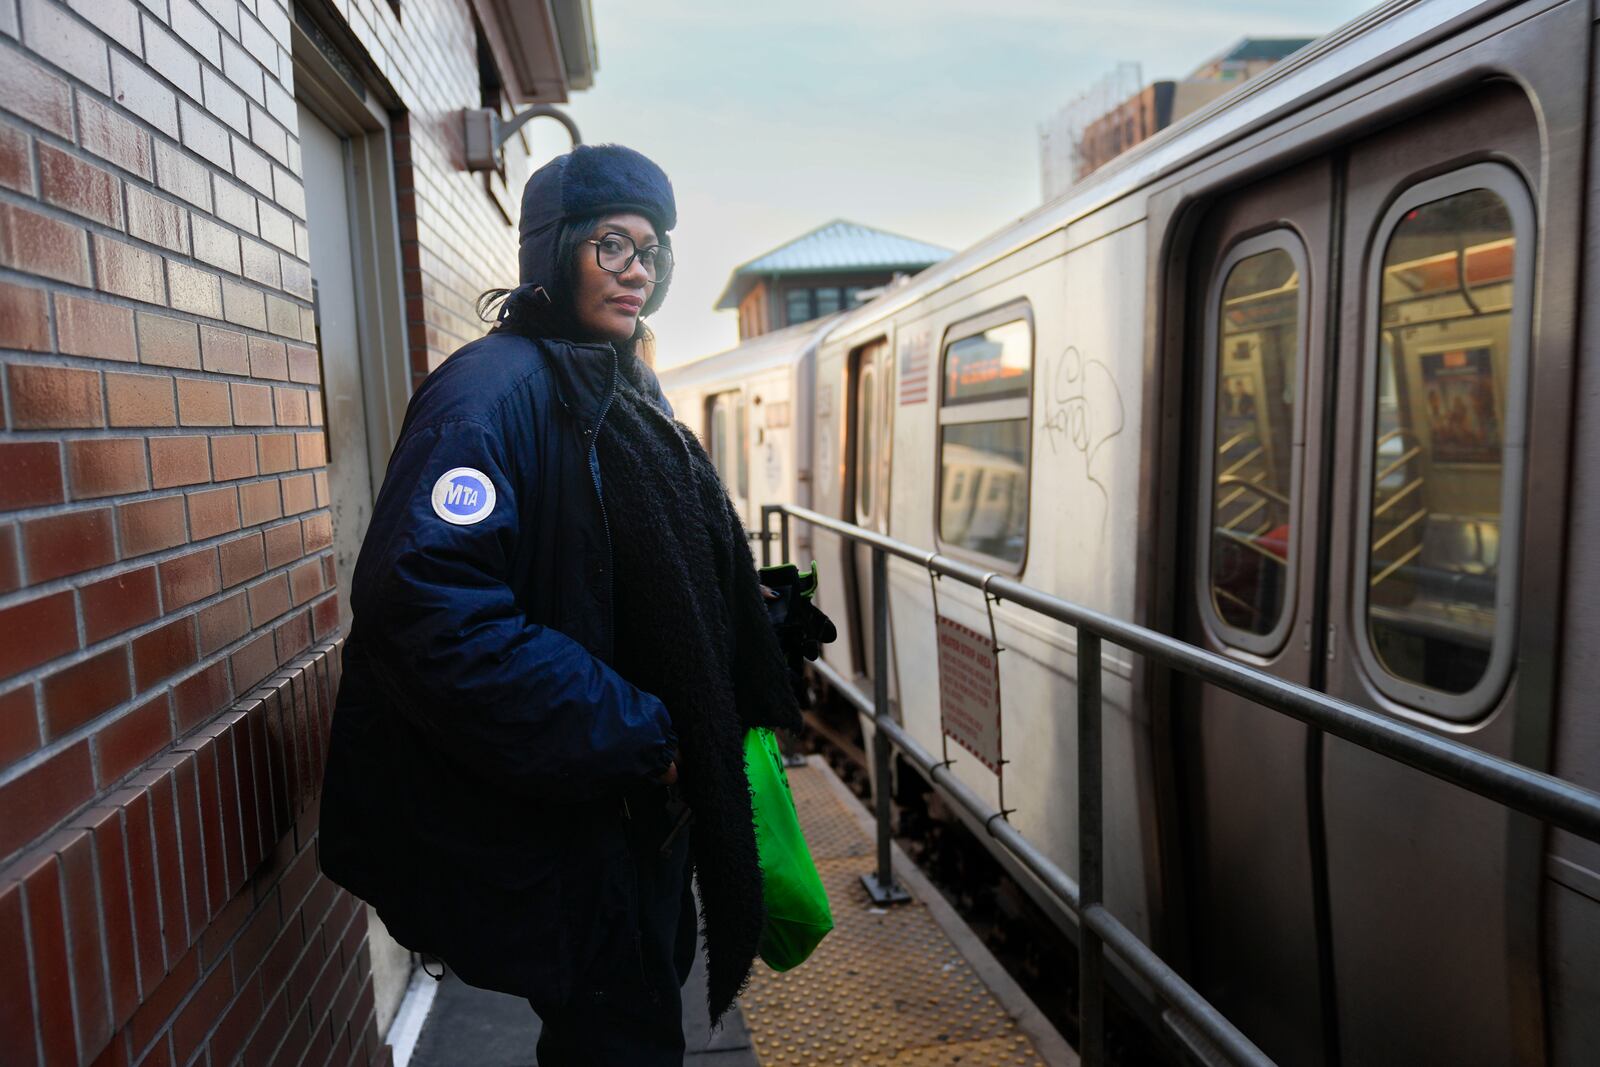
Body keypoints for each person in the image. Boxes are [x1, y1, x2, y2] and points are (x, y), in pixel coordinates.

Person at [318, 144, 802, 1065]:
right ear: (554, 250)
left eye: (652, 253)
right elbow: (427, 610)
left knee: (640, 1009)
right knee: (619, 1037)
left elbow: (620, 567)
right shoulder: (491, 393)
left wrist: (745, 626)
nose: (638, 272)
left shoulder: (613, 381)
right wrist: (644, 732)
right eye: (612, 245)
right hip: (586, 804)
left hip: (633, 804)